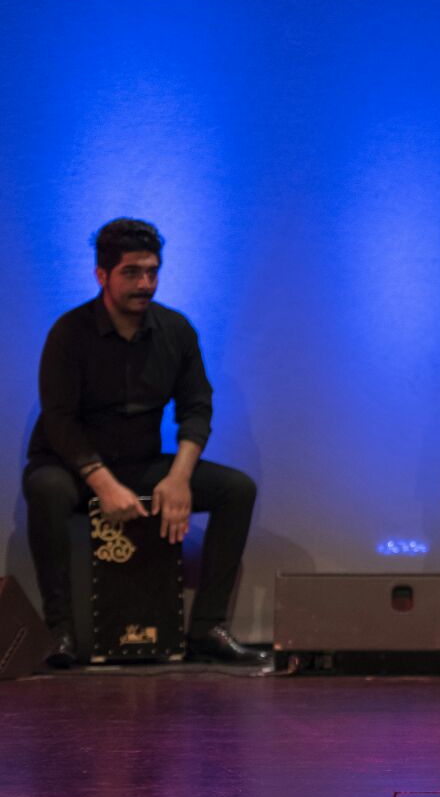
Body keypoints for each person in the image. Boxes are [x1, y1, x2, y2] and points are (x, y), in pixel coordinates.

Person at [24, 218, 268, 667]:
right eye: (132, 273)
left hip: (140, 460)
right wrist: (103, 484)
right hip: (72, 465)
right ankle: (57, 633)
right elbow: (59, 421)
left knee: (238, 489)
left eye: (152, 272)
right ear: (102, 276)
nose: (145, 283)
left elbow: (197, 408)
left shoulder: (175, 330)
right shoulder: (69, 333)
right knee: (45, 489)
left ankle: (207, 629)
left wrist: (179, 479)